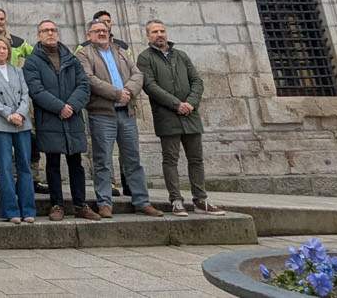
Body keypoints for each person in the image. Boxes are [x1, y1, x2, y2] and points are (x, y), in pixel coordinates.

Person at [136, 19, 225, 217]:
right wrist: (177, 104)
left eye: (162, 31)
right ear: (148, 36)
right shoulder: (145, 58)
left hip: (191, 115)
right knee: (170, 159)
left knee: (196, 159)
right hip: (167, 116)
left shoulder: (181, 55)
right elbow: (150, 86)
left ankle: (201, 200)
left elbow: (197, 81)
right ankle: (176, 200)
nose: (159, 34)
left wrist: (191, 103)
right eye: (154, 32)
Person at [76, 20, 162, 219]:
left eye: (104, 31)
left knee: (133, 159)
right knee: (103, 160)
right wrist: (116, 93)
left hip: (126, 113)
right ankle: (104, 203)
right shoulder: (84, 54)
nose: (101, 34)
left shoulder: (120, 51)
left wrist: (129, 92)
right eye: (97, 31)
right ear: (89, 35)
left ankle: (142, 201)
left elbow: (137, 74)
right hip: (102, 114)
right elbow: (89, 79)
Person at [23, 20, 97, 221]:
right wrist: (59, 107)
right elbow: (36, 90)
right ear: (39, 35)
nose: (50, 33)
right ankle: (57, 205)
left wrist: (71, 106)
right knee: (53, 163)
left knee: (76, 163)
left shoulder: (71, 59)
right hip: (50, 118)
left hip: (72, 118)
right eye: (45, 30)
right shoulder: (32, 62)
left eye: (53, 30)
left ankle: (80, 204)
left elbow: (83, 85)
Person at [0, 35, 36, 223]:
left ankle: (28, 209)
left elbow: (25, 94)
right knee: (4, 167)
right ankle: (11, 210)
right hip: (0, 123)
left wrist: (20, 114)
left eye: (4, 48)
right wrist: (8, 115)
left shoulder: (17, 71)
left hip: (22, 122)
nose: (1, 51)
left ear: (9, 51)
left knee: (24, 167)